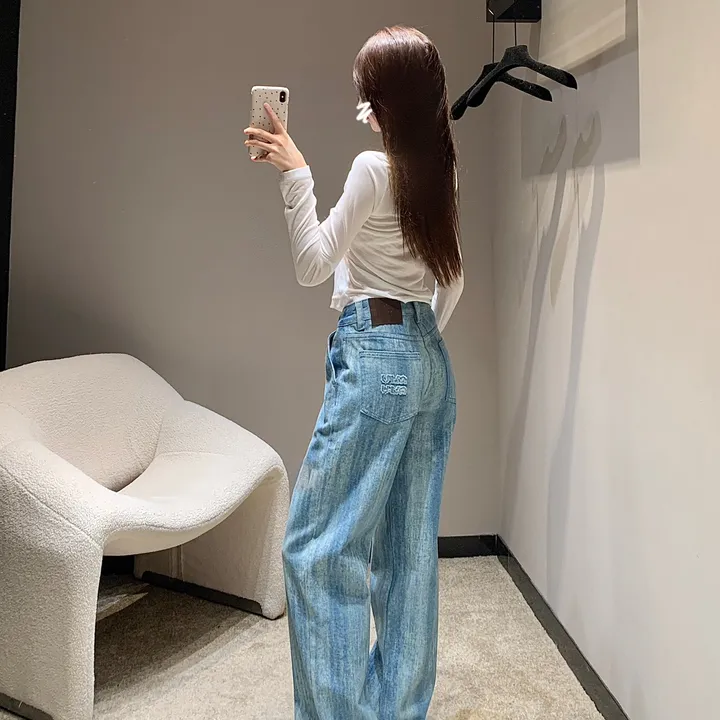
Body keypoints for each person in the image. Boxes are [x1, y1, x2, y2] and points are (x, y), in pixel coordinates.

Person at [245, 25, 463, 720]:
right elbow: (453, 281)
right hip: (429, 363)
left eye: (366, 92)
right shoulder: (440, 171)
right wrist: (416, 347)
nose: (360, 105)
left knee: (316, 548)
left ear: (387, 99)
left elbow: (314, 265)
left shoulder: (374, 168)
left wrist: (295, 175)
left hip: (378, 356)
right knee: (408, 556)